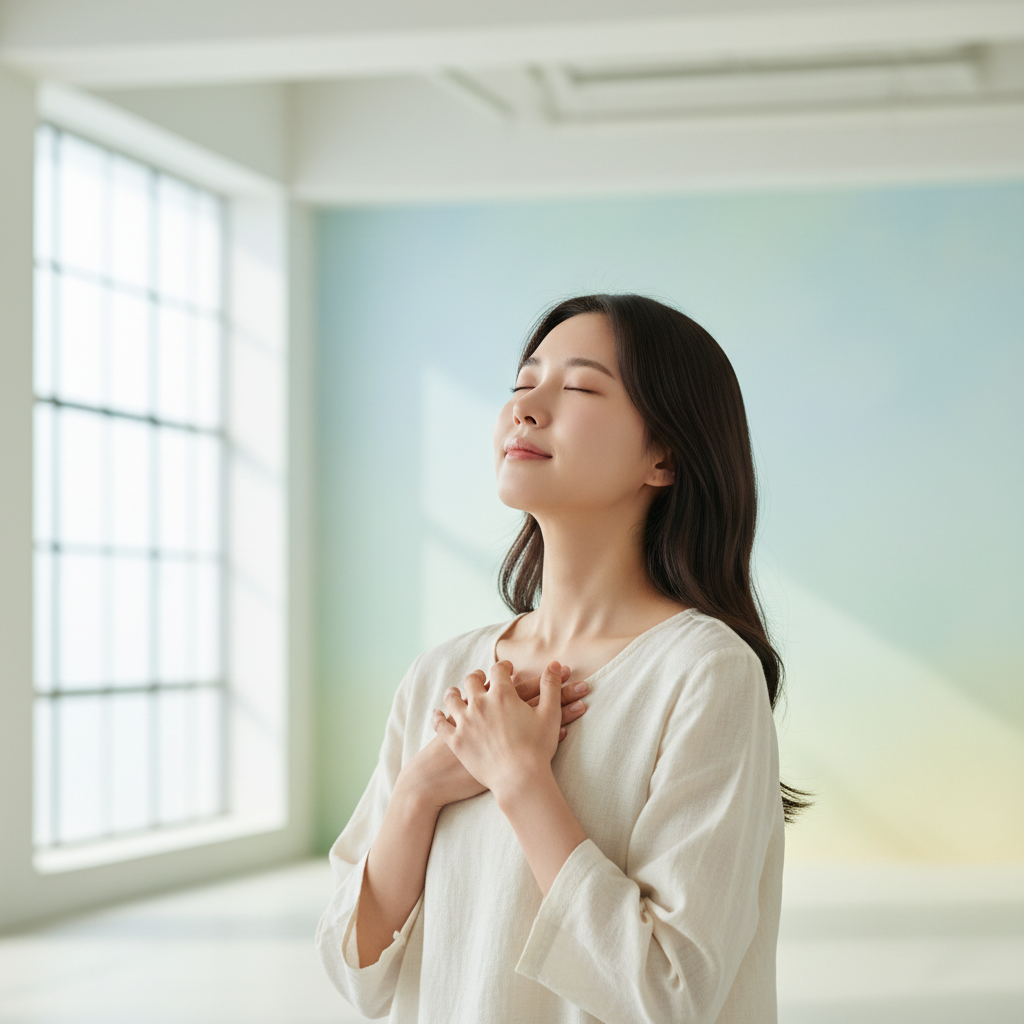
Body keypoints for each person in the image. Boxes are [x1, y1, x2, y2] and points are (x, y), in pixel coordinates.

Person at [316, 294, 803, 1023]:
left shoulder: (705, 672)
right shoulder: (441, 675)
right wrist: (419, 790)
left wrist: (519, 779)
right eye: (521, 383)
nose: (527, 407)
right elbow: (354, 972)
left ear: (664, 455)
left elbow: (669, 994)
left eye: (576, 387)